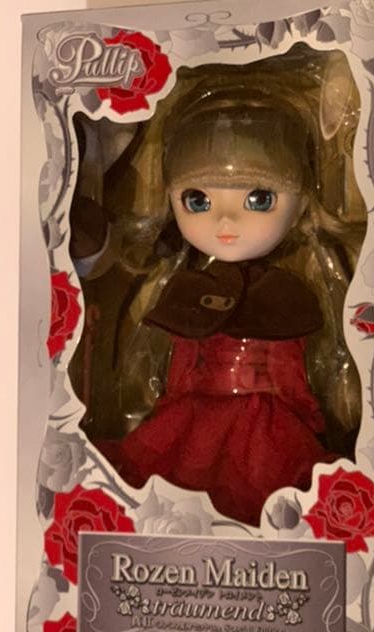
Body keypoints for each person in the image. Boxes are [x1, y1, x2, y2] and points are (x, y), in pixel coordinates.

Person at [94, 87, 347, 526]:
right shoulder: (186, 285)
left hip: (264, 422)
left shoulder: (286, 294)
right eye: (198, 200)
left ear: (301, 205)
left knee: (269, 491)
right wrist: (170, 399)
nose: (226, 221)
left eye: (259, 199)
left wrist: (307, 413)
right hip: (193, 413)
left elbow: (292, 366)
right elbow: (179, 358)